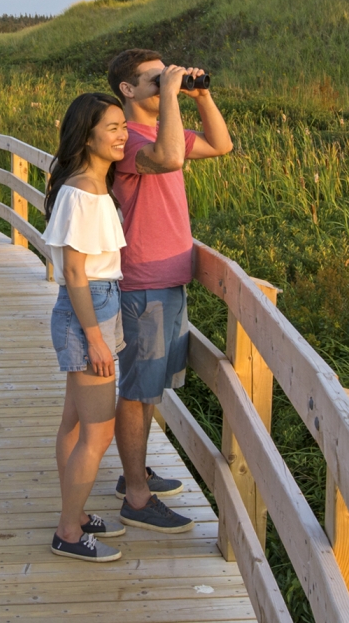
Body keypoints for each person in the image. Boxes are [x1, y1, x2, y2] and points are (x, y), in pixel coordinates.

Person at [106, 48, 232, 533]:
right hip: (145, 281)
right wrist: (175, 97)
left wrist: (200, 95)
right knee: (138, 391)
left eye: (167, 77)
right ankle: (136, 498)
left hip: (170, 277)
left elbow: (221, 146)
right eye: (154, 79)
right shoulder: (129, 143)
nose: (164, 85)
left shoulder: (164, 130)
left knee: (151, 385)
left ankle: (134, 475)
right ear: (128, 90)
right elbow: (169, 156)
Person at [43, 92, 131, 563]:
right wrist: (96, 337)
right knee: (98, 433)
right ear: (88, 134)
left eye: (123, 125)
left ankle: (73, 516)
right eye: (113, 127)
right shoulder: (82, 192)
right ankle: (68, 533)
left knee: (75, 424)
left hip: (96, 303)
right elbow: (75, 272)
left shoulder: (91, 185)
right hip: (88, 310)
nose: (123, 134)